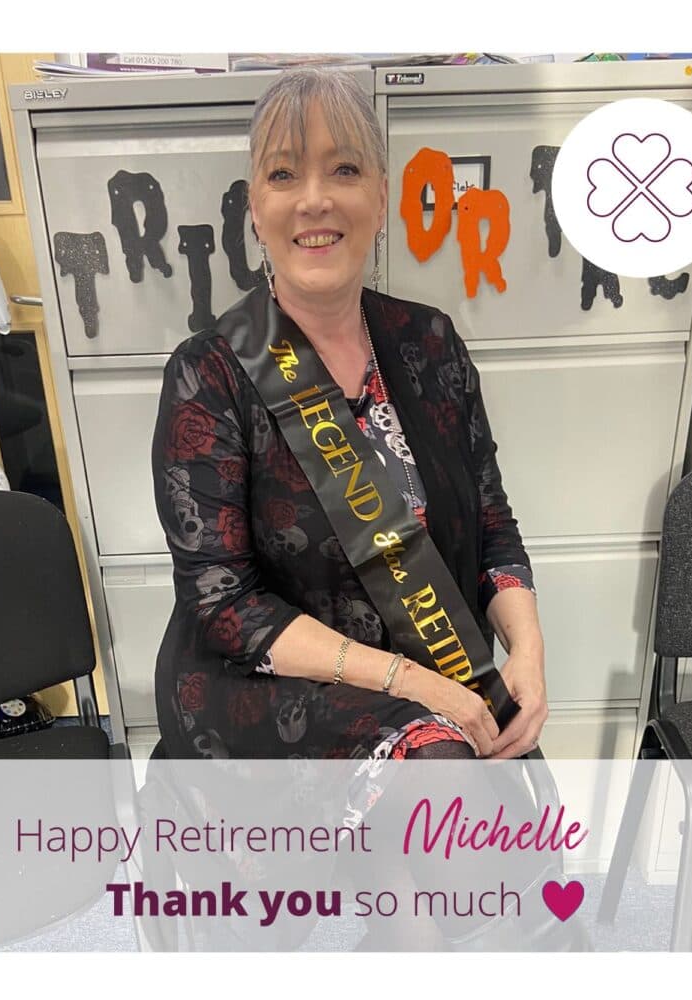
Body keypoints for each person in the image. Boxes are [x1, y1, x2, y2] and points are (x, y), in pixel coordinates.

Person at [152, 68, 547, 762]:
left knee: (486, 776)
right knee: (443, 771)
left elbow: (492, 524)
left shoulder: (430, 343)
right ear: (254, 206)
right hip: (274, 690)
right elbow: (226, 605)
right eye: (283, 175)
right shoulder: (208, 372)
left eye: (343, 169)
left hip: (435, 675)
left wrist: (530, 653)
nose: (315, 200)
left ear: (380, 193)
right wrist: (412, 684)